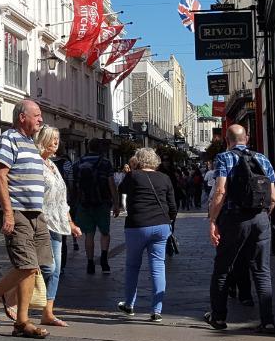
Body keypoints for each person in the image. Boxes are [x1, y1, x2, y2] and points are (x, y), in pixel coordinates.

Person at [0, 99, 52, 339]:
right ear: (22, 117)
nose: (40, 119)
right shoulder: (8, 140)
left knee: (33, 268)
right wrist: (7, 212)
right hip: (17, 212)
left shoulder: (30, 143)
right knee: (26, 265)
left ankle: (22, 322)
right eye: (36, 115)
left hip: (35, 213)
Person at [203, 124, 275, 334]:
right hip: (260, 218)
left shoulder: (224, 158)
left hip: (234, 220)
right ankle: (268, 321)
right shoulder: (262, 159)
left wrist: (212, 220)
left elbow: (220, 191)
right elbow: (273, 196)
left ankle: (218, 317)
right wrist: (264, 215)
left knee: (223, 268)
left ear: (227, 141)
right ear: (247, 138)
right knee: (262, 271)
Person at [115, 147, 175, 323]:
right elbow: (173, 206)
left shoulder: (133, 176)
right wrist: (168, 220)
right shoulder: (165, 178)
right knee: (158, 267)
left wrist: (131, 170)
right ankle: (156, 310)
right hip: (161, 225)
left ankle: (129, 304)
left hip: (137, 225)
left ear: (138, 160)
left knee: (133, 266)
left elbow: (122, 189)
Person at [36, 126, 81, 327]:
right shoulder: (36, 164)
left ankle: (48, 312)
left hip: (58, 223)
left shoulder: (53, 166)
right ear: (43, 140)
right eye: (52, 139)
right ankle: (12, 297)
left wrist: (70, 222)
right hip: (41, 222)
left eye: (57, 139)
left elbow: (62, 200)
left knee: (55, 270)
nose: (56, 142)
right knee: (47, 266)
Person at [69, 142, 115, 275]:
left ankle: (90, 264)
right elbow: (111, 184)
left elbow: (74, 185)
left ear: (88, 148)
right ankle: (104, 261)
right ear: (100, 149)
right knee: (104, 233)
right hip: (102, 202)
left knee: (89, 234)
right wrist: (116, 203)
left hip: (84, 203)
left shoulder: (77, 163)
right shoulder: (105, 163)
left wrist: (74, 202)